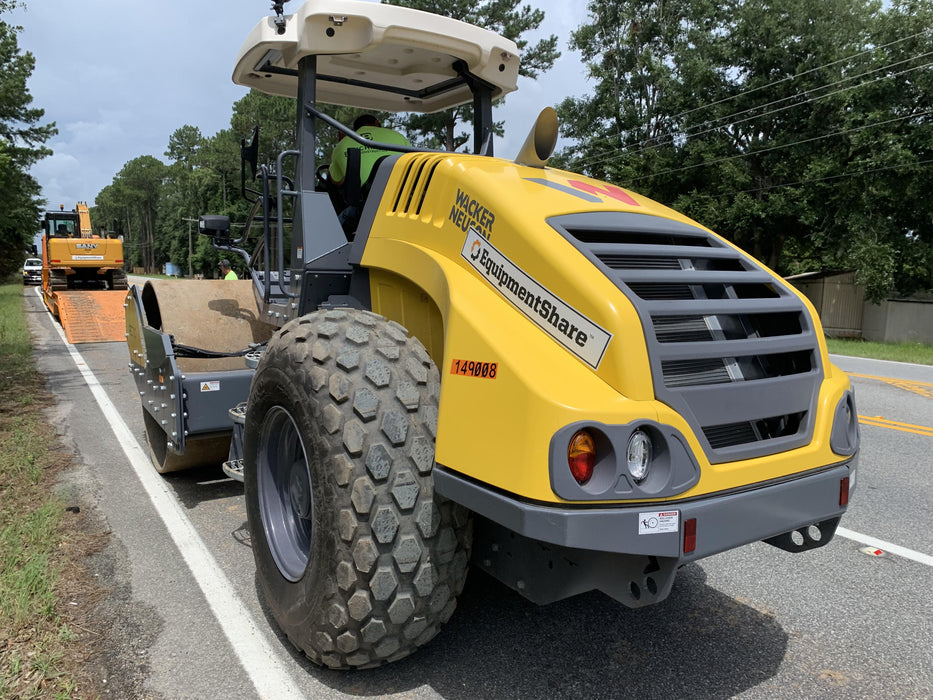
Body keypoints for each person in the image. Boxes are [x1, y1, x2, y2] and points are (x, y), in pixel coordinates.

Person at [329, 114, 410, 233]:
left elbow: (335, 180)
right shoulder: (398, 137)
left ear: (356, 129)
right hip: (403, 202)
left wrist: (342, 145)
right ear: (377, 123)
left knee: (332, 228)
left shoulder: (342, 145)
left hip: (366, 208)